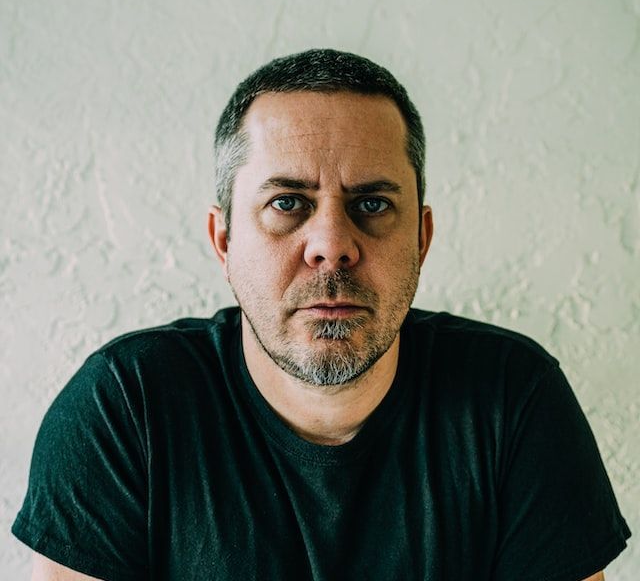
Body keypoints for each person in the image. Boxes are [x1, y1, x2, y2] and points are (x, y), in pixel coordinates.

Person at [13, 49, 630, 581]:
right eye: (287, 203)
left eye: (372, 203)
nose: (332, 245)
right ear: (224, 240)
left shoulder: (513, 398)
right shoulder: (126, 407)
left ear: (421, 238)